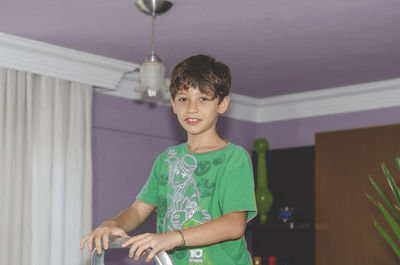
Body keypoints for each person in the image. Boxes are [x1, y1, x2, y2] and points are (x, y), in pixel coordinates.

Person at [80, 54, 257, 264]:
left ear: (222, 104)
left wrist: (173, 238)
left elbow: (234, 225)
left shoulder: (233, 158)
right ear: (173, 104)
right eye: (183, 99)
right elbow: (137, 211)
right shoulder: (167, 160)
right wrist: (111, 225)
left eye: (203, 98)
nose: (192, 108)